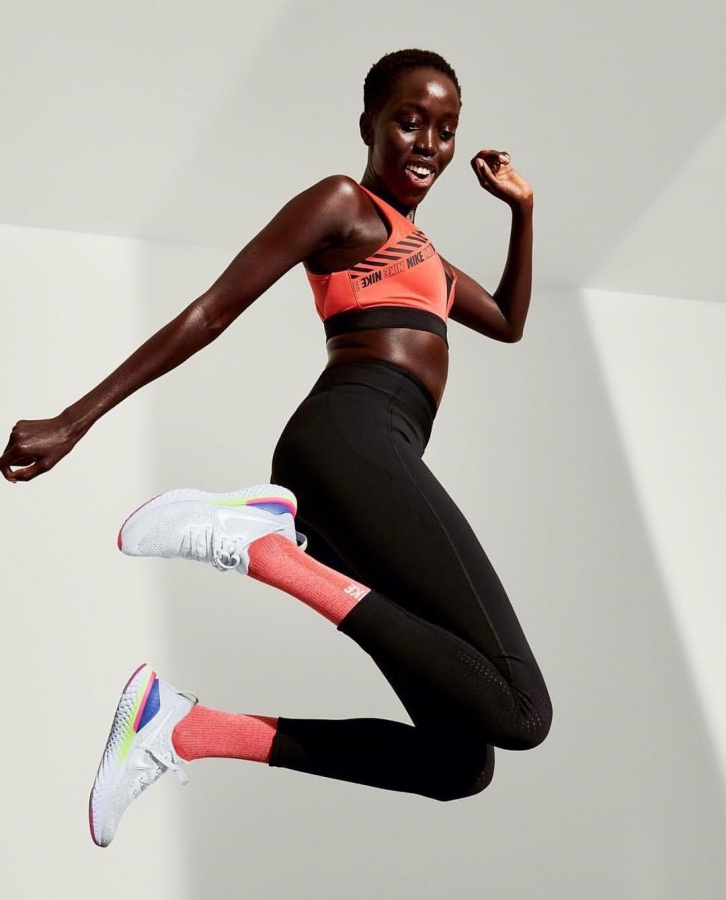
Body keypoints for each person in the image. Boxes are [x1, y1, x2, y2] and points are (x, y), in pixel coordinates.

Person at [0, 49, 552, 847]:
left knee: (459, 763)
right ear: (368, 125)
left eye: (445, 129)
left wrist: (522, 210)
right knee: (525, 711)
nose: (427, 144)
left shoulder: (428, 258)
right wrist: (75, 419)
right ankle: (265, 552)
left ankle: (181, 728)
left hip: (364, 464)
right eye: (408, 122)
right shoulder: (344, 203)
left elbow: (507, 320)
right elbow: (212, 310)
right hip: (351, 438)